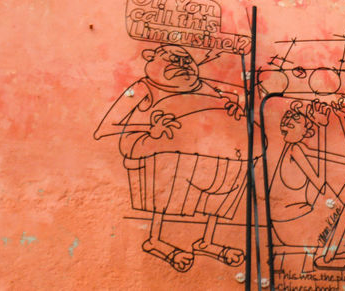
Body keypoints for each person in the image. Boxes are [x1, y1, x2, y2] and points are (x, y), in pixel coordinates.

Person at [94, 44, 247, 273]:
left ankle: (207, 240)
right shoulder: (145, 88)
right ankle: (155, 239)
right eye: (173, 60)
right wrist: (150, 128)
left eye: (186, 61)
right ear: (151, 59)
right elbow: (105, 128)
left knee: (236, 166)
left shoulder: (202, 87)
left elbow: (221, 112)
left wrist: (232, 111)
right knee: (170, 160)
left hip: (197, 153)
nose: (182, 66)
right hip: (151, 150)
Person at [269, 98, 345, 272]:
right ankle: (325, 258)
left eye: (301, 125)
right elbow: (321, 183)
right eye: (293, 124)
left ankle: (335, 250)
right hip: (289, 224)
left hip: (298, 218)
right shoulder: (294, 150)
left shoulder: (300, 148)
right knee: (332, 197)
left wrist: (342, 119)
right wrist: (322, 127)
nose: (304, 130)